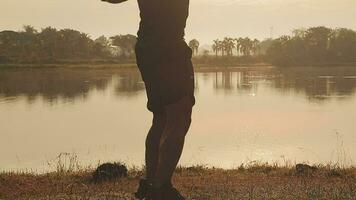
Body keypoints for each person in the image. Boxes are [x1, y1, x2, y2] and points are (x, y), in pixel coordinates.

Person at [102, 0, 195, 199]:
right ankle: (160, 188)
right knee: (179, 116)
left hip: (147, 48)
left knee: (161, 117)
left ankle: (151, 182)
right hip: (169, 49)